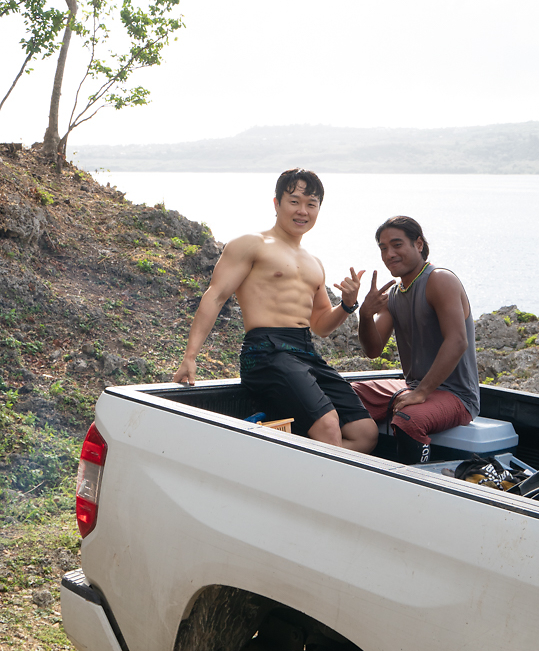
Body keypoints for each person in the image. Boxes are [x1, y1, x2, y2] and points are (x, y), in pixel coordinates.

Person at [173, 168, 378, 454]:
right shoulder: (252, 244)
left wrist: (346, 304)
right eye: (294, 201)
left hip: (305, 351)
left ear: (319, 208)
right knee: (328, 428)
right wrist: (190, 357)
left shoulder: (314, 262)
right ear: (276, 203)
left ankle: (286, 453)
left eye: (311, 204)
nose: (302, 211)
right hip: (266, 351)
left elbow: (319, 325)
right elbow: (216, 296)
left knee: (365, 433)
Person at [352, 215, 480, 464]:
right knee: (346, 394)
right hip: (413, 388)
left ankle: (416, 488)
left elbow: (457, 341)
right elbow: (374, 349)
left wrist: (422, 392)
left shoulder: (440, 280)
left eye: (397, 244)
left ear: (418, 244)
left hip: (457, 396)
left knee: (409, 419)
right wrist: (365, 315)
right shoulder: (394, 294)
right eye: (383, 248)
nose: (389, 253)